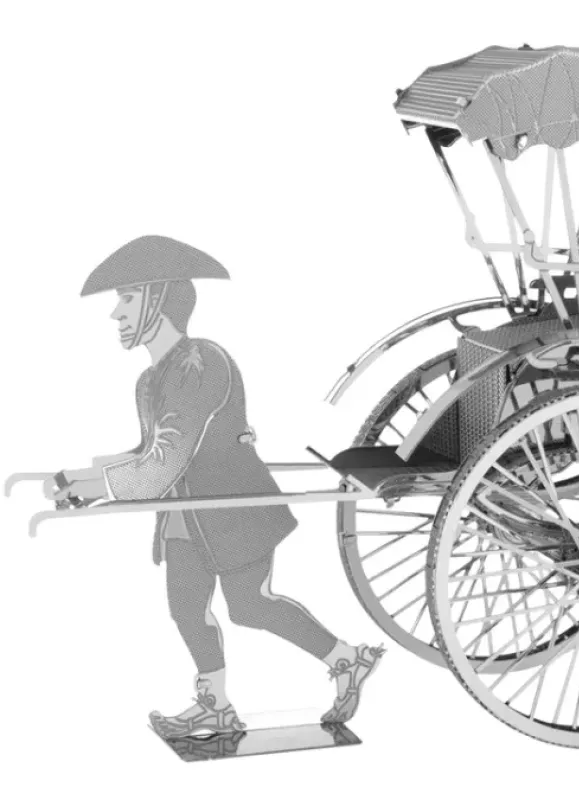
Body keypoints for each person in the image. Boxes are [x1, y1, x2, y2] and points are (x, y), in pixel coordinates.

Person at [46, 235, 384, 737]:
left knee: (249, 605)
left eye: (128, 298)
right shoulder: (149, 380)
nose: (115, 313)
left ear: (159, 299)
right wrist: (85, 480)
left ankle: (347, 659)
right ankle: (216, 706)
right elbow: (149, 451)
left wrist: (97, 483)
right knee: (186, 610)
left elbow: (162, 463)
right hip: (186, 512)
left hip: (232, 508)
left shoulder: (200, 363)